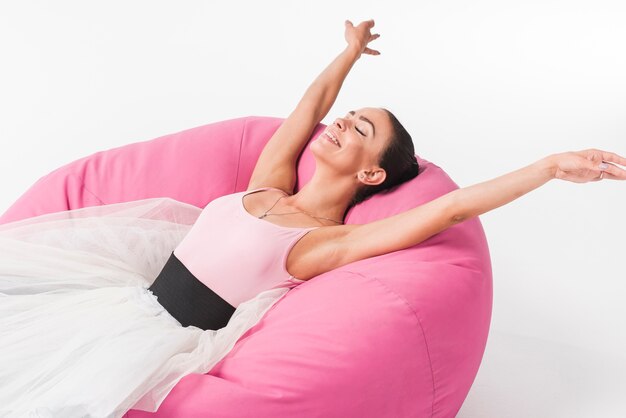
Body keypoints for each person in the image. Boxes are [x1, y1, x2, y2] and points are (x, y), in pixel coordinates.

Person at [0, 18, 624, 418]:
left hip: (158, 338)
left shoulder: (321, 244)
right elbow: (311, 106)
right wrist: (349, 54)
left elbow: (451, 208)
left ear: (372, 174)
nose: (342, 125)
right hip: (120, 299)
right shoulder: (267, 181)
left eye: (361, 130)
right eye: (348, 117)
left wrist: (548, 167)